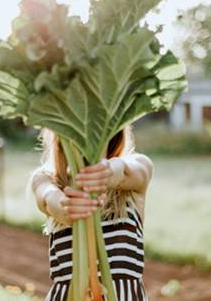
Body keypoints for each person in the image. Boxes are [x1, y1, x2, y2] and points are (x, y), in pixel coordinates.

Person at [30, 124, 154, 301]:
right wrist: (67, 208)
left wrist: (109, 171)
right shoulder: (47, 179)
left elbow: (129, 171)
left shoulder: (137, 170)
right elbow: (48, 198)